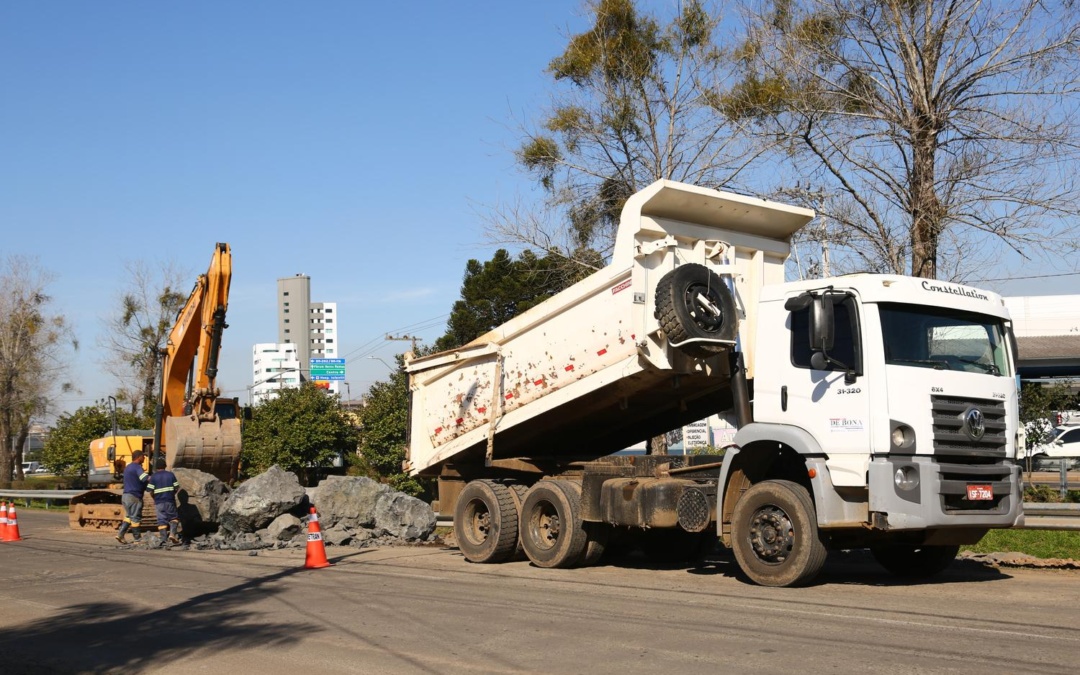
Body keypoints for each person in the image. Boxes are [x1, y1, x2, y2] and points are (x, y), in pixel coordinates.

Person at [115, 450, 149, 544]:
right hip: (134, 496)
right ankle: (137, 539)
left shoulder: (128, 467)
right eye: (143, 456)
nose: (144, 458)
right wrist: (154, 478)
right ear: (138, 457)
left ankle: (120, 534)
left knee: (129, 516)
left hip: (125, 495)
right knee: (135, 518)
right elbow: (144, 478)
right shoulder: (137, 467)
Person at [147, 458, 181, 546]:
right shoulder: (170, 475)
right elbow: (177, 487)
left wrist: (155, 497)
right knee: (174, 518)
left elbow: (150, 490)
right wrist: (172, 494)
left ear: (156, 467)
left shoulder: (154, 476)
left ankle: (163, 539)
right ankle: (172, 534)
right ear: (165, 466)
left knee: (161, 520)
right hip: (169, 500)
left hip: (158, 502)